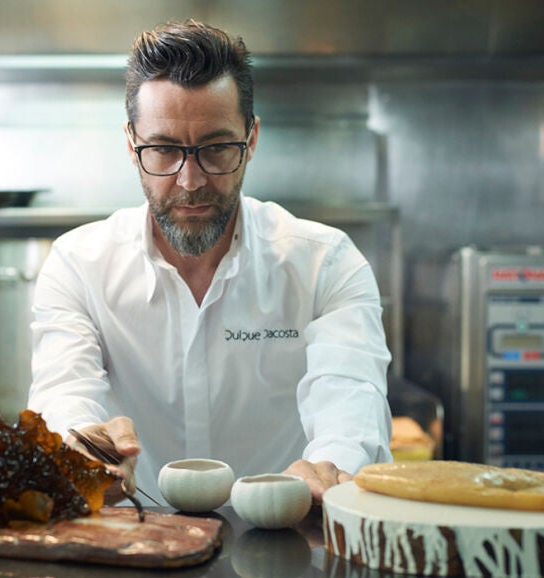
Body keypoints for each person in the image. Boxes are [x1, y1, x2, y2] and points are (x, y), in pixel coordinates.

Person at [27, 19, 392, 505]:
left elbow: (351, 395)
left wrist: (331, 466)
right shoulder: (78, 265)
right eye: (164, 150)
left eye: (217, 149)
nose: (190, 181)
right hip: (135, 534)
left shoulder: (326, 264)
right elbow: (63, 392)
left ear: (251, 139)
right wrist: (82, 449)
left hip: (287, 530)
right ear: (132, 144)